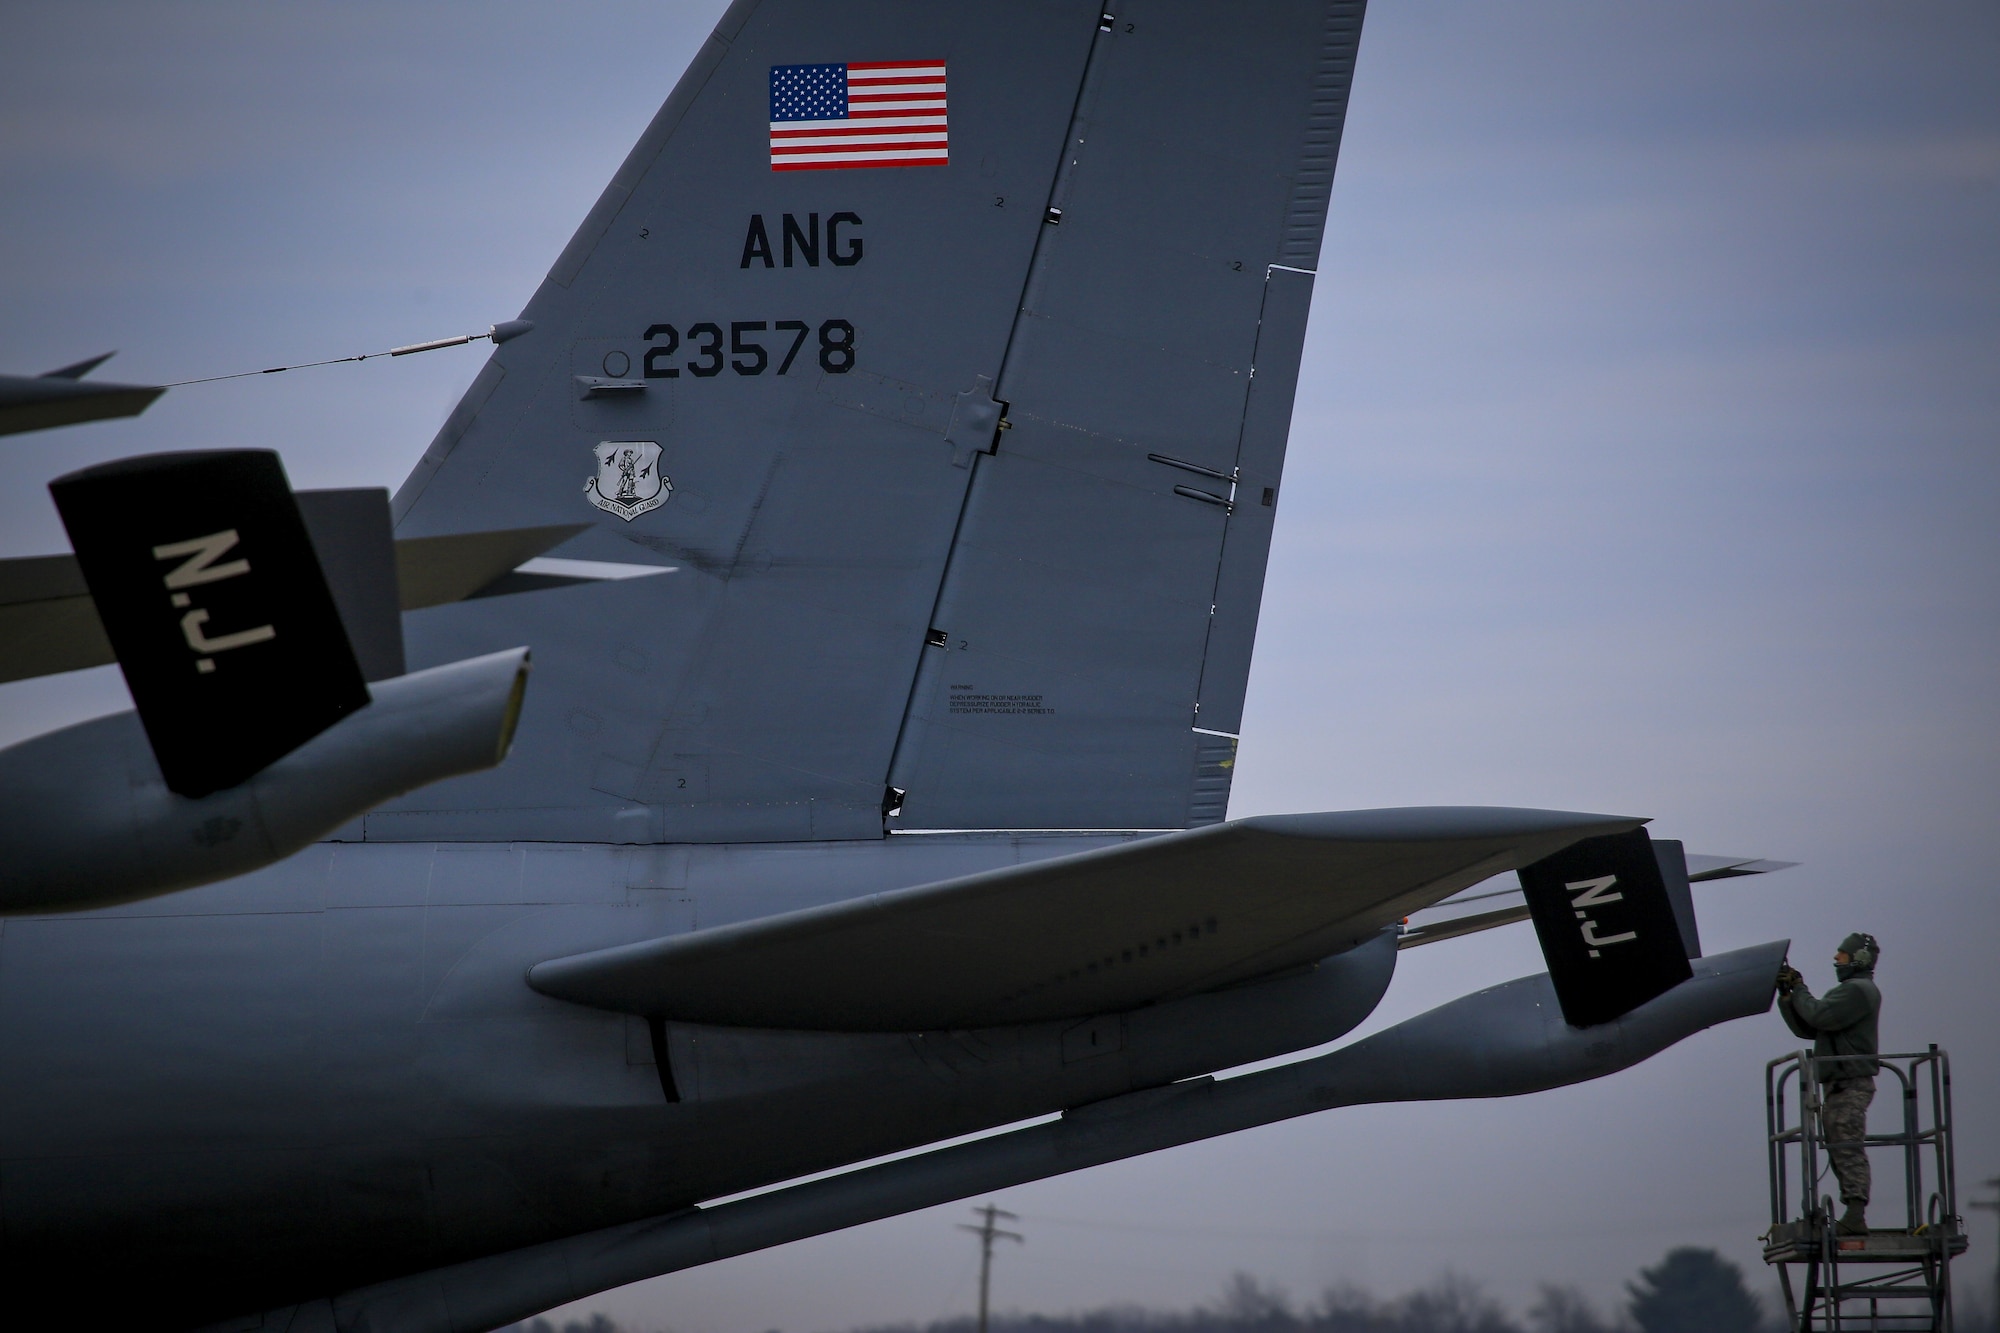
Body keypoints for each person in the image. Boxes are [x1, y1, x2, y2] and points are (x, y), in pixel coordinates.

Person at [1776, 933, 1883, 1235]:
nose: (1837, 959)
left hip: (1850, 1082)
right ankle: (1853, 1211)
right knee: (1839, 1143)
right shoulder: (1851, 991)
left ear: (1858, 959)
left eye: (1843, 955)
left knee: (1847, 1145)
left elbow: (1819, 1015)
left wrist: (1799, 989)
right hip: (1839, 1083)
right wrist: (1789, 997)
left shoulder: (1858, 991)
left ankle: (1855, 1212)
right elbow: (1810, 1027)